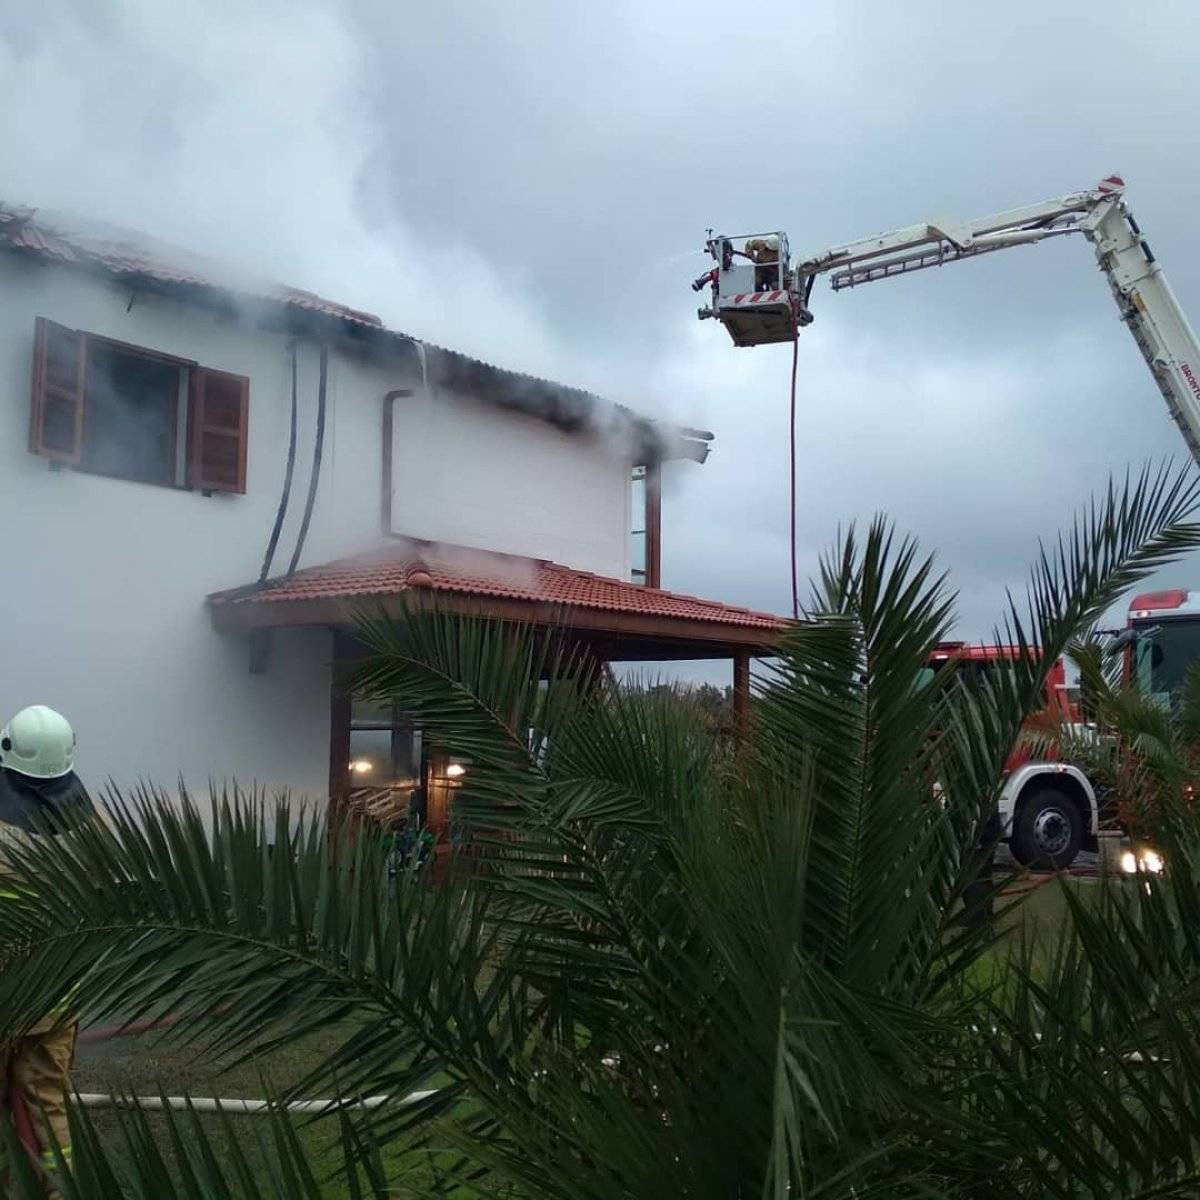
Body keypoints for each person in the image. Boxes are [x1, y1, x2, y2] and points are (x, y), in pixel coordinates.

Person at [0, 705, 94, 1191]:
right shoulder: (89, 830)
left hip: (5, 994)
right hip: (56, 997)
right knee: (48, 1102)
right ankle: (58, 1191)